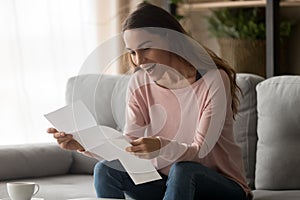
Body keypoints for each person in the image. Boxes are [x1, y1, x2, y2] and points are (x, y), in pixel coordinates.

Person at [47, 2, 252, 200]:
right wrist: (84, 143)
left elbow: (200, 152)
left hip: (221, 185)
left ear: (170, 39)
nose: (139, 60)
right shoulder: (139, 82)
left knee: (184, 170)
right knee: (106, 169)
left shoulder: (214, 80)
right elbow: (129, 145)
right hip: (166, 183)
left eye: (146, 48)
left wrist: (160, 146)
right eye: (132, 52)